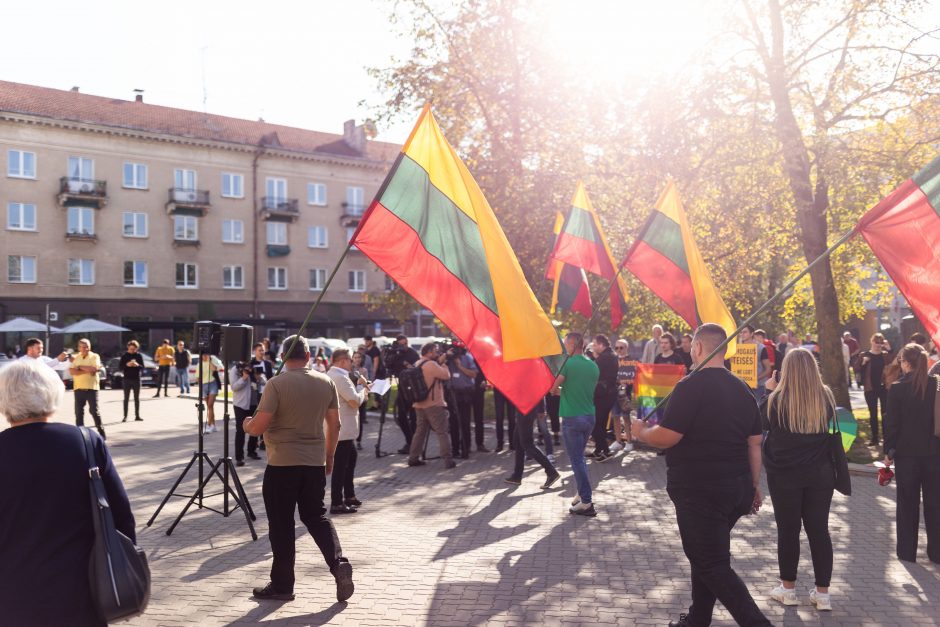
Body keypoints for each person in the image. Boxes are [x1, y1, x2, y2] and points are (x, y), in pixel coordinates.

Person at [631, 323, 770, 627]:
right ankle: (698, 619)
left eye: (692, 348)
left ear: (697, 348)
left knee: (711, 563)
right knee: (705, 555)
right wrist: (754, 485)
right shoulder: (744, 390)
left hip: (701, 491)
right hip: (736, 489)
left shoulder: (690, 385)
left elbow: (668, 436)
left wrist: (642, 433)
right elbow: (755, 444)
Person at [0, 359, 135, 626]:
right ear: (53, 391)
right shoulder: (85, 442)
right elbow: (121, 516)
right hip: (82, 591)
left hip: (11, 595)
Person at [243, 335, 354, 603]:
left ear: (282, 358)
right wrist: (329, 456)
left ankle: (282, 586)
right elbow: (335, 425)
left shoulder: (276, 384)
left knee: (281, 525)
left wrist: (247, 423)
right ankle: (338, 563)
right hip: (313, 462)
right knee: (316, 516)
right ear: (307, 357)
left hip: (282, 464)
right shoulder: (325, 381)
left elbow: (258, 427)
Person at [762, 348, 837, 612]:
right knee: (819, 532)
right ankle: (823, 593)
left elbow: (760, 424)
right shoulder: (825, 397)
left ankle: (789, 589)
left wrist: (768, 389)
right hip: (820, 474)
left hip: (785, 475)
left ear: (787, 370)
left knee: (788, 531)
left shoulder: (776, 399)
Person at [884, 343, 940, 564]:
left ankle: (907, 552)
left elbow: (892, 424)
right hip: (934, 453)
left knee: (907, 503)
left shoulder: (897, 388)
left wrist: (889, 451)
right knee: (935, 504)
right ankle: (936, 552)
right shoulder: (936, 384)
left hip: (906, 455)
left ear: (906, 362)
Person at [550, 332, 600, 517]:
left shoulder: (568, 364)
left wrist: (557, 390)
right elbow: (580, 389)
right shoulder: (593, 365)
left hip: (572, 417)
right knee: (580, 458)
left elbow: (554, 387)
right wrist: (564, 390)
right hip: (589, 416)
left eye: (565, 344)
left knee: (577, 459)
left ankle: (586, 502)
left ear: (572, 345)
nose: (564, 348)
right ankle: (582, 492)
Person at [327, 349, 369, 514]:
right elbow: (353, 401)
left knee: (350, 459)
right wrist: (363, 389)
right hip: (342, 428)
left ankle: (349, 495)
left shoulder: (332, 374)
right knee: (340, 466)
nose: (353, 363)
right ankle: (337, 502)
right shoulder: (340, 377)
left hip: (342, 428)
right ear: (343, 360)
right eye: (351, 360)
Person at [407, 343, 457, 469]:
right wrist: (444, 363)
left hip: (419, 403)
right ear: (429, 352)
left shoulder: (418, 363)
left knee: (419, 432)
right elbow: (446, 375)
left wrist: (439, 361)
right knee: (442, 432)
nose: (437, 353)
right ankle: (448, 460)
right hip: (434, 404)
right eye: (435, 351)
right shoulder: (432, 365)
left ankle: (413, 458)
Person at [505, 396, 560, 488]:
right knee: (517, 441)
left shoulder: (527, 380)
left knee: (527, 443)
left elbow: (539, 388)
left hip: (526, 409)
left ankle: (551, 472)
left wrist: (541, 408)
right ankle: (517, 475)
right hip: (523, 408)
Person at [446, 344, 482, 457]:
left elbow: (473, 374)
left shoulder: (468, 358)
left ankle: (466, 447)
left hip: (466, 394)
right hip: (452, 394)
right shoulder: (448, 359)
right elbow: (438, 362)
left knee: (465, 422)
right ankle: (455, 449)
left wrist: (460, 366)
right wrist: (447, 355)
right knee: (453, 423)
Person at [858, 332, 892, 446]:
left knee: (885, 413)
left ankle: (886, 438)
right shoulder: (864, 354)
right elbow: (856, 368)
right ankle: (875, 438)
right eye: (876, 342)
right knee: (873, 413)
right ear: (871, 341)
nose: (878, 344)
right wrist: (863, 362)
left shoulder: (885, 355)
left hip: (884, 387)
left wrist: (890, 349)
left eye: (880, 342)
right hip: (870, 388)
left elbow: (894, 364)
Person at [388, 335, 420, 453]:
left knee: (413, 418)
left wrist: (407, 365)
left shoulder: (413, 354)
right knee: (401, 417)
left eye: (406, 343)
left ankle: (415, 445)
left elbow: (417, 370)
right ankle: (409, 440)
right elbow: (388, 365)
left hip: (412, 390)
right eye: (402, 344)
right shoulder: (395, 353)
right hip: (401, 388)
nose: (404, 346)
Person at [70, 337, 105, 440]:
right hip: (78, 388)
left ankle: (101, 432)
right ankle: (80, 435)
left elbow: (94, 369)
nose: (86, 349)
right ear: (79, 348)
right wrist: (86, 369)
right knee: (78, 412)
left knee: (94, 411)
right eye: (83, 347)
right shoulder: (77, 357)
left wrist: (79, 367)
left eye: (87, 347)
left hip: (92, 388)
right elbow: (72, 371)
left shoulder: (95, 356)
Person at [591, 334, 619, 462]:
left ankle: (605, 451)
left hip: (603, 394)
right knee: (599, 423)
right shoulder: (610, 355)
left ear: (602, 345)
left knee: (598, 423)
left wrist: (592, 359)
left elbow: (592, 370)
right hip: (607, 393)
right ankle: (598, 450)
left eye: (595, 344)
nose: (593, 347)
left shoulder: (605, 357)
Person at [230, 360, 260, 467]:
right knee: (241, 430)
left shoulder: (253, 366)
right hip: (241, 404)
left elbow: (262, 384)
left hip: (253, 403)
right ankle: (239, 457)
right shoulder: (235, 369)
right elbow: (234, 387)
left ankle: (251, 451)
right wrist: (244, 377)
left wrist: (258, 378)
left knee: (254, 428)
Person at [609, 338, 635, 454]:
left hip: (626, 394)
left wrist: (628, 381)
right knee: (615, 417)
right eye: (617, 347)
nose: (619, 350)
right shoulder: (613, 360)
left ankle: (629, 442)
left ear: (626, 348)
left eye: (621, 347)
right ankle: (618, 441)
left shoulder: (632, 360)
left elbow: (636, 376)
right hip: (614, 393)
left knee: (626, 418)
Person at [198, 352, 223, 433]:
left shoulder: (212, 360)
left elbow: (214, 369)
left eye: (206, 355)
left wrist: (209, 361)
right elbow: (198, 377)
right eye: (203, 355)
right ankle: (213, 425)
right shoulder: (199, 364)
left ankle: (209, 425)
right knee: (210, 407)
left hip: (213, 384)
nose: (204, 356)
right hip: (204, 386)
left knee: (210, 404)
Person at [120, 340, 145, 422]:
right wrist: (127, 365)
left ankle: (137, 416)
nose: (132, 350)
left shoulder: (139, 356)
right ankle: (125, 416)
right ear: (128, 347)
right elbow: (120, 367)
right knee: (126, 398)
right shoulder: (124, 356)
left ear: (136, 348)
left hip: (136, 379)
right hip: (126, 379)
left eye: (134, 349)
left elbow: (142, 367)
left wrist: (137, 365)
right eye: (131, 349)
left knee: (136, 398)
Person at [493, 386, 517, 453]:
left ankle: (512, 443)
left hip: (511, 389)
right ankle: (500, 444)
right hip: (499, 389)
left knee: (512, 419)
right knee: (499, 418)